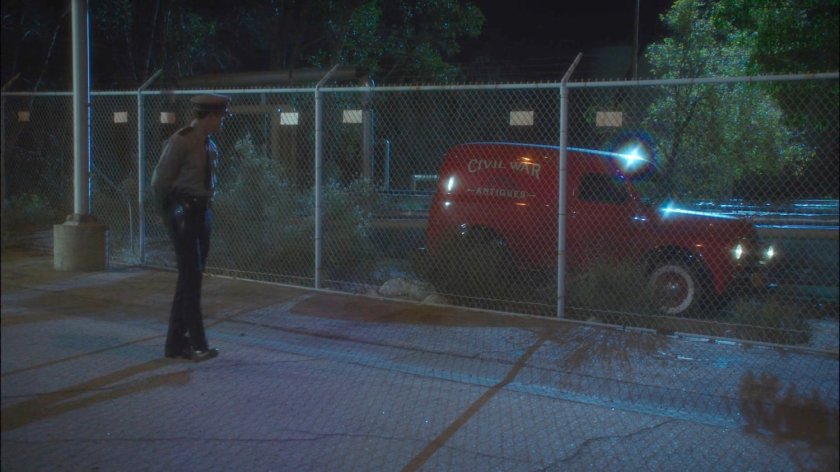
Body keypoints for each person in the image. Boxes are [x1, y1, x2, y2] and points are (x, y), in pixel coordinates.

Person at [152, 94, 230, 362]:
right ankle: (196, 344)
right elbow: (159, 181)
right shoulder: (182, 140)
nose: (223, 123)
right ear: (211, 116)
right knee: (191, 278)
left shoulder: (209, 144)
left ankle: (176, 344)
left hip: (201, 212)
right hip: (184, 213)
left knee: (190, 278)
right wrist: (165, 213)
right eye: (221, 117)